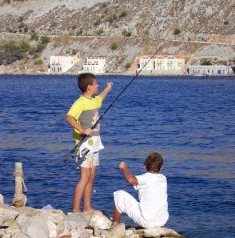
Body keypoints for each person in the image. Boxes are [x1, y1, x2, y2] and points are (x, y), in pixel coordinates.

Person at [66, 73, 112, 213]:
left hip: (95, 144)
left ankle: (87, 207)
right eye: (96, 83)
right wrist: (82, 129)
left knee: (92, 176)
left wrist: (107, 88)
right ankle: (75, 210)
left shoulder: (93, 100)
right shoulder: (80, 102)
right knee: (84, 177)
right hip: (84, 145)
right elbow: (69, 117)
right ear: (89, 87)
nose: (98, 85)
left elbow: (100, 98)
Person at [113, 153, 169, 228]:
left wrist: (124, 168)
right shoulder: (163, 178)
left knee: (119, 195)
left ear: (144, 166)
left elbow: (131, 180)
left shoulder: (146, 178)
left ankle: (115, 226)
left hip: (148, 222)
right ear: (161, 167)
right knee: (148, 203)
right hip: (162, 220)